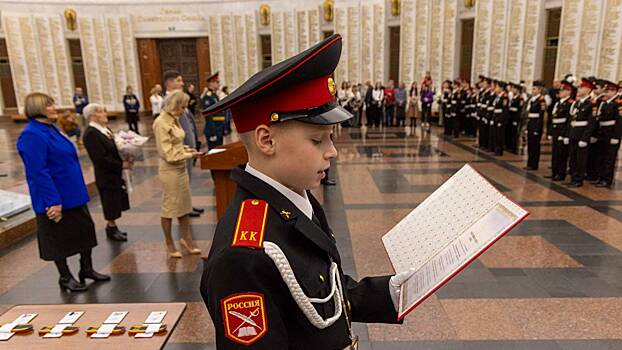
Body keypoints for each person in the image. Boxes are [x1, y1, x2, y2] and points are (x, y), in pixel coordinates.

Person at [200, 33, 410, 350]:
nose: (332, 152)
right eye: (318, 140)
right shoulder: (244, 256)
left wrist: (394, 291)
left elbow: (321, 289)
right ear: (266, 141)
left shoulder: (290, 197)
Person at [17, 92, 109, 292]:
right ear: (37, 109)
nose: (54, 108)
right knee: (58, 239)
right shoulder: (31, 134)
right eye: (49, 105)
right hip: (55, 197)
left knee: (85, 231)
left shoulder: (52, 129)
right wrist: (53, 202)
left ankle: (86, 269)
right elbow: (38, 171)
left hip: (73, 193)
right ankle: (65, 276)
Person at [152, 90, 204, 258]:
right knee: (170, 208)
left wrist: (188, 149)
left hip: (181, 168)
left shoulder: (174, 119)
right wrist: (190, 155)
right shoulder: (161, 122)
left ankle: (186, 239)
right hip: (170, 171)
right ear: (174, 105)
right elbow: (167, 153)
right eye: (182, 107)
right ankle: (169, 243)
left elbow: (177, 144)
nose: (184, 110)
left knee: (184, 206)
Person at [82, 103, 129, 242]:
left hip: (113, 172)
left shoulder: (104, 129)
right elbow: (100, 158)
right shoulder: (91, 133)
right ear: (92, 116)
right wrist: (120, 164)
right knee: (109, 201)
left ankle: (114, 227)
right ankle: (111, 228)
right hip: (106, 174)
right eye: (101, 112)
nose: (105, 114)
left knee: (115, 200)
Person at [163, 70, 203, 217]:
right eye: (179, 80)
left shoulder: (180, 99)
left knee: (187, 179)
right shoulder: (168, 102)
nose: (182, 83)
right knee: (182, 181)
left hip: (187, 148)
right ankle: (184, 209)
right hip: (180, 149)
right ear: (171, 82)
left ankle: (188, 205)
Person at [566, 78, 597, 187]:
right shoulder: (577, 103)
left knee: (580, 159)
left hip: (581, 135)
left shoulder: (591, 104)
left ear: (588, 89)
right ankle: (573, 178)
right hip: (573, 133)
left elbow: (591, 124)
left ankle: (578, 179)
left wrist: (584, 138)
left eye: (582, 87)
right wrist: (568, 134)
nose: (579, 89)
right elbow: (571, 120)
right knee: (573, 158)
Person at [545, 80, 575, 181]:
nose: (560, 92)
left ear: (568, 92)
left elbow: (568, 121)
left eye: (562, 90)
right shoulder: (558, 103)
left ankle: (561, 173)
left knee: (562, 154)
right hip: (555, 130)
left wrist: (565, 134)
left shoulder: (570, 103)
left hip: (562, 131)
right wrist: (550, 132)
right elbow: (553, 118)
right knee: (555, 153)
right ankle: (554, 172)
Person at [593, 80, 621, 188]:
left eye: (610, 91)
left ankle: (607, 179)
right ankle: (600, 177)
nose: (607, 93)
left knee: (609, 158)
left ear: (615, 92)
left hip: (611, 133)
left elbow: (619, 122)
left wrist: (616, 137)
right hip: (602, 132)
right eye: (607, 91)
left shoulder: (618, 104)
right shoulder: (604, 103)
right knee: (601, 155)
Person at [524, 80, 547, 170]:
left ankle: (534, 164)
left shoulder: (541, 100)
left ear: (539, 90)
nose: (532, 91)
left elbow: (541, 116)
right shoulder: (532, 99)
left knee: (535, 146)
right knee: (530, 145)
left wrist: (537, 129)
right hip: (531, 124)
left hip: (536, 125)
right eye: (532, 89)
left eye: (534, 89)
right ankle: (529, 163)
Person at [201, 72, 226, 150]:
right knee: (214, 153)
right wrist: (212, 133)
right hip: (213, 129)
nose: (219, 84)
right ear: (211, 83)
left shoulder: (214, 95)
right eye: (217, 82)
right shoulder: (208, 96)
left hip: (218, 128)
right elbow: (209, 115)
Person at [491, 80, 509, 156]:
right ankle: (496, 149)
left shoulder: (504, 97)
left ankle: (499, 150)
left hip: (500, 118)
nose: (495, 88)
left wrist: (501, 120)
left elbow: (504, 110)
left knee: (500, 135)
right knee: (495, 134)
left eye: (497, 87)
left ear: (501, 88)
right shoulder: (497, 96)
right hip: (496, 117)